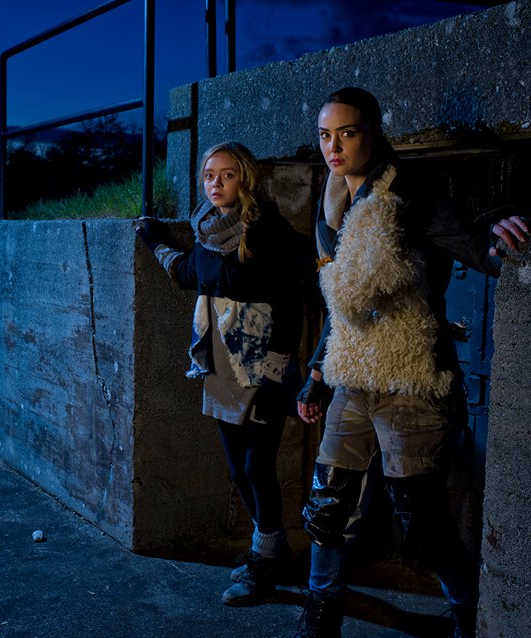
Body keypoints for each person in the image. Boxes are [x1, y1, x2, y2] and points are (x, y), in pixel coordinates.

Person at [294, 87, 530, 638]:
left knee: (421, 515)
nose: (334, 147)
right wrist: (315, 376)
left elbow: (470, 242)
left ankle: (468, 612)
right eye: (325, 135)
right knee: (328, 505)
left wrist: (498, 235)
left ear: (373, 134)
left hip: (410, 380)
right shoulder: (330, 208)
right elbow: (339, 307)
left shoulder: (407, 193)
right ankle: (321, 615)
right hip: (352, 378)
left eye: (347, 133)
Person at [135, 141, 311, 606]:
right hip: (220, 362)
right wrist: (153, 238)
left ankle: (265, 564)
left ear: (245, 178)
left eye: (227, 175)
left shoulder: (266, 230)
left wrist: (276, 374)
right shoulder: (207, 228)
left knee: (257, 466)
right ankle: (270, 549)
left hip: (263, 366)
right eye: (210, 175)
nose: (216, 183)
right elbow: (187, 274)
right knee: (238, 468)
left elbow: (290, 306)